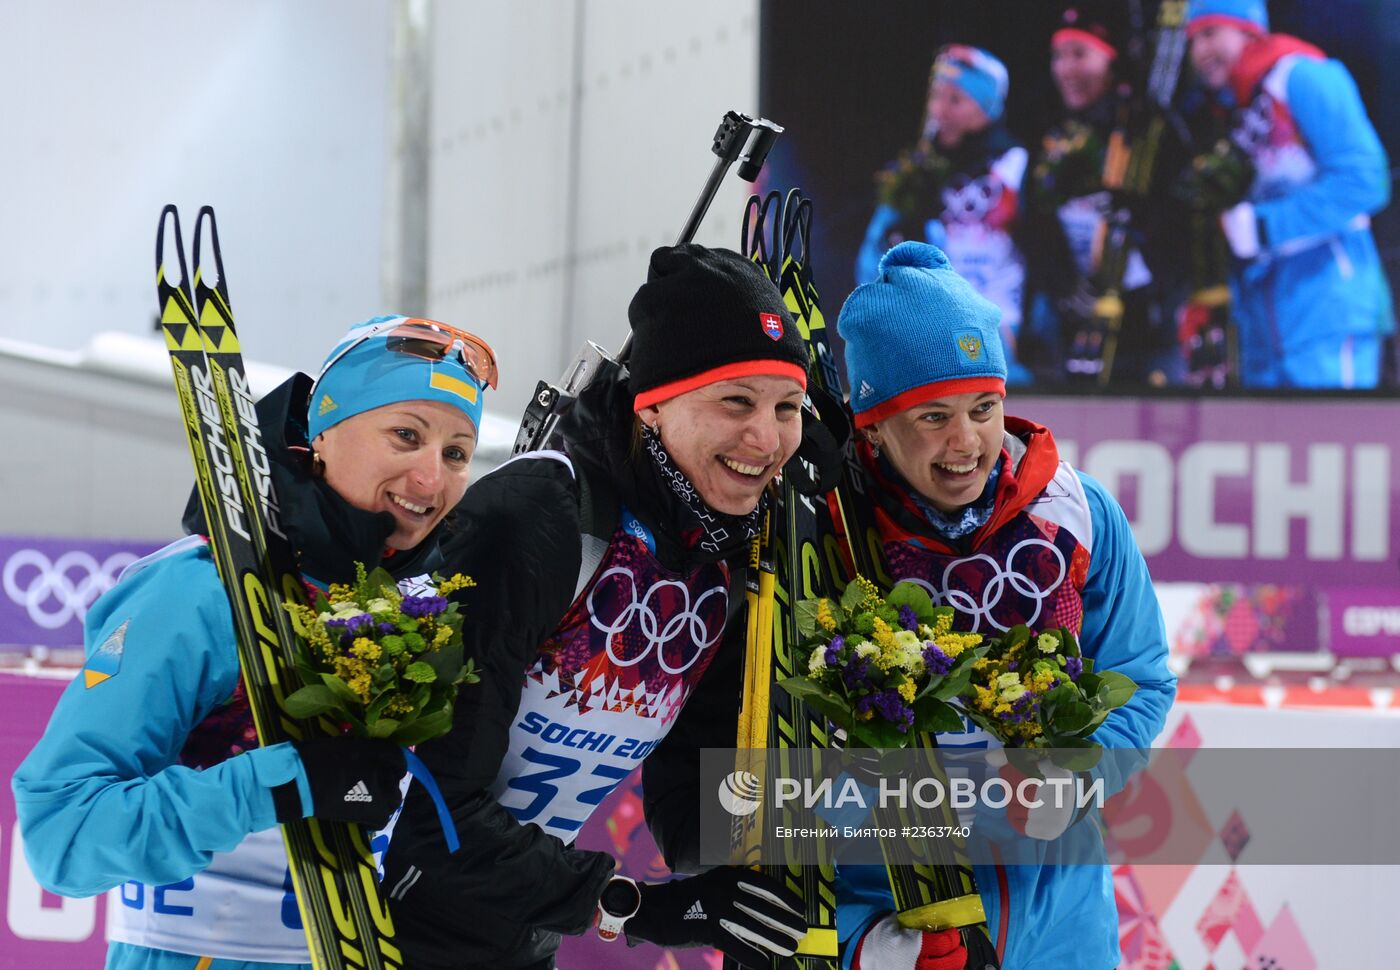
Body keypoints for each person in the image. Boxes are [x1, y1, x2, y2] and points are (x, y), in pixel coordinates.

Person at [12, 315, 498, 970]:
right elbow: (63, 836)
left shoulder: (416, 611)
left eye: (456, 453)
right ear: (322, 433)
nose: (431, 479)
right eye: (405, 435)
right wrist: (282, 783)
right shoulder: (199, 594)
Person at [383, 244, 815, 969]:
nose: (766, 438)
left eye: (787, 408)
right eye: (734, 401)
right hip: (382, 933)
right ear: (652, 405)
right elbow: (422, 815)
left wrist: (815, 867)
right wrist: (628, 903)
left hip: (512, 939)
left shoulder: (720, 562)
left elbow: (696, 809)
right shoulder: (539, 518)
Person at [833, 242, 1177, 969]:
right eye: (931, 416)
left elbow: (1142, 681)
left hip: (1064, 932)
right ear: (871, 423)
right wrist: (867, 943)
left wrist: (1080, 779)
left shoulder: (1077, 515)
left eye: (984, 408)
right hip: (910, 928)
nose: (966, 443)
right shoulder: (827, 536)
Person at [1185, 0, 1394, 388]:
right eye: (1193, 39)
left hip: (1328, 309)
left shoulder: (1302, 76)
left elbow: (1365, 179)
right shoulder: (1231, 109)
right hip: (1260, 325)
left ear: (1248, 29)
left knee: (1332, 441)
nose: (1200, 51)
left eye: (1211, 32)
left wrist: (1265, 227)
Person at [1019, 3, 1186, 385]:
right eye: (1058, 56)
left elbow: (1183, 219)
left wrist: (1139, 217)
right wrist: (1062, 285)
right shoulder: (1051, 131)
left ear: (1112, 61)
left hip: (1147, 328)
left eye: (1080, 54)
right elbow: (1035, 224)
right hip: (1073, 326)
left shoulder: (1150, 130)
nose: (1066, 69)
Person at [857, 44, 1032, 384]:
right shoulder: (915, 173)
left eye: (955, 100)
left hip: (1004, 329)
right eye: (936, 96)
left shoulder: (1018, 164)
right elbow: (872, 261)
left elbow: (1044, 254)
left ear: (988, 106)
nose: (939, 110)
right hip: (934, 331)